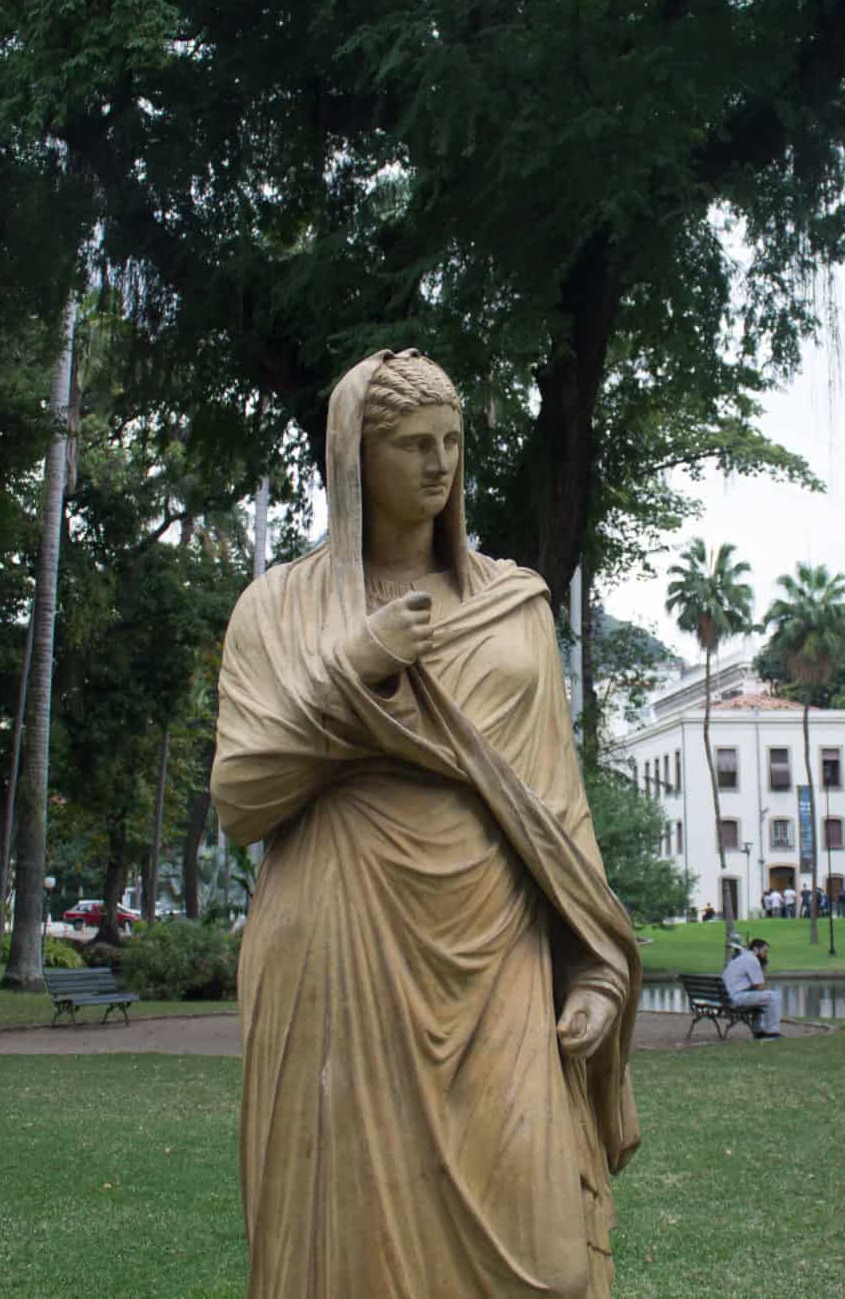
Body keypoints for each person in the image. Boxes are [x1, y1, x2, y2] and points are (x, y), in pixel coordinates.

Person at [211, 350, 638, 1299]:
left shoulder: (512, 606)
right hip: (338, 953)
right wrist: (348, 668)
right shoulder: (278, 610)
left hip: (494, 961)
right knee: (343, 1260)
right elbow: (241, 794)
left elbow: (555, 808)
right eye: (413, 445)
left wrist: (598, 965)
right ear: (356, 460)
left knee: (550, 1265)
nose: (440, 464)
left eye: (452, 441)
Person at [722, 937, 782, 1039]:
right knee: (774, 996)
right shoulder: (752, 960)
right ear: (755, 949)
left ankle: (758, 1030)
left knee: (760, 996)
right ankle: (773, 1031)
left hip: (726, 997)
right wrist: (763, 969)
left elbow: (757, 988)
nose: (766, 955)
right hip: (735, 998)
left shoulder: (742, 957)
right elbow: (760, 986)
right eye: (764, 951)